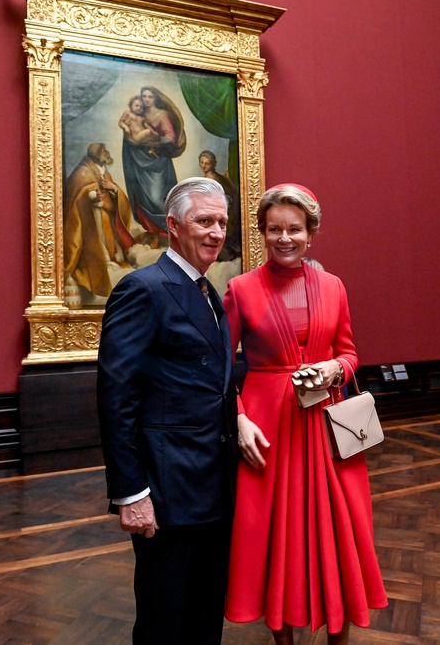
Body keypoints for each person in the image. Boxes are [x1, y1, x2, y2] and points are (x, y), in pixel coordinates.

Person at [223, 184, 387, 644]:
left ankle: (339, 633)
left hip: (328, 427)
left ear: (310, 233)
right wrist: (239, 419)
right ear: (262, 232)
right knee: (276, 533)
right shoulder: (240, 289)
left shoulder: (333, 286)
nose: (284, 238)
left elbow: (349, 353)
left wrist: (336, 368)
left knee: (341, 529)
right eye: (274, 229)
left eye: (294, 229)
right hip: (267, 429)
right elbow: (220, 367)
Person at [97, 177, 238, 645]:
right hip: (167, 491)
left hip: (213, 485)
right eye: (204, 221)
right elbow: (116, 397)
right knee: (164, 620)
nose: (216, 232)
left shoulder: (207, 290)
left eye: (222, 222)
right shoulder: (144, 288)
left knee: (205, 614)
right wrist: (130, 493)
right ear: (173, 226)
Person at [64, 143, 137, 301]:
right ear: (97, 155)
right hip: (90, 221)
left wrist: (114, 189)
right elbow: (77, 194)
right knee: (98, 248)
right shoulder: (82, 173)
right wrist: (92, 196)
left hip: (105, 218)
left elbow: (115, 198)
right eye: (104, 151)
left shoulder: (104, 172)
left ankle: (110, 261)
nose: (107, 152)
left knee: (110, 247)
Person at [121, 85, 186, 245]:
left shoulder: (162, 115)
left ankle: (170, 233)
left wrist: (154, 143)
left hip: (158, 164)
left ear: (155, 98)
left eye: (150, 96)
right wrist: (129, 135)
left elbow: (170, 138)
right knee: (142, 197)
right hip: (140, 164)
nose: (146, 100)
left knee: (157, 199)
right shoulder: (138, 113)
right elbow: (130, 132)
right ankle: (154, 233)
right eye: (144, 96)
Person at [198, 150, 242, 262]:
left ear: (213, 164)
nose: (203, 166)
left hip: (219, 216)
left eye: (207, 163)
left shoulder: (210, 180)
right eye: (201, 162)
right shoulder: (220, 177)